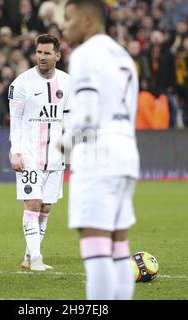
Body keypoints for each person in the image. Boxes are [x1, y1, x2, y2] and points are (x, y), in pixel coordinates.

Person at [62, 0, 140, 299]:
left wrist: (62, 145)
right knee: (118, 249)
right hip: (125, 154)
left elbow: (88, 117)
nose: (64, 25)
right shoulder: (123, 56)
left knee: (96, 251)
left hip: (97, 158)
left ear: (87, 20)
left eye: (68, 18)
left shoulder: (84, 54)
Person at [8, 34, 70, 271]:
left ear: (57, 56)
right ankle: (36, 258)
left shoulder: (67, 82)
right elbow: (14, 120)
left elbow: (70, 118)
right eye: (38, 52)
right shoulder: (21, 84)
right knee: (32, 204)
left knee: (45, 207)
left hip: (55, 157)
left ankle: (28, 256)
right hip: (29, 155)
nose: (41, 57)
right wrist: (15, 151)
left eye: (46, 53)